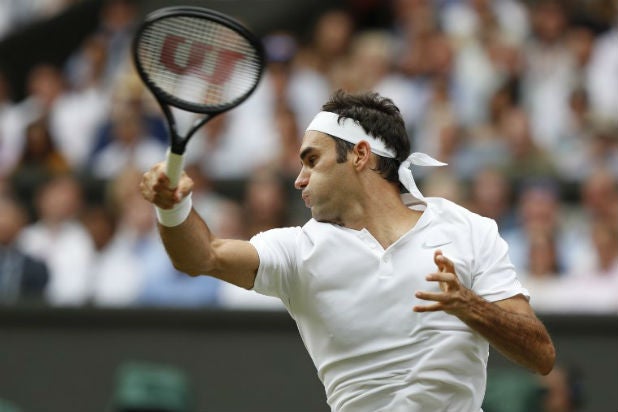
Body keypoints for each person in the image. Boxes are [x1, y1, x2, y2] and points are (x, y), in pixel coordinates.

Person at [140, 90, 555, 411]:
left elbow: (541, 355)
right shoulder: (298, 250)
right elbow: (202, 256)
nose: (299, 180)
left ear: (359, 155)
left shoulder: (468, 230)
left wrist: (471, 307)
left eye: (312, 160)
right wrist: (172, 208)